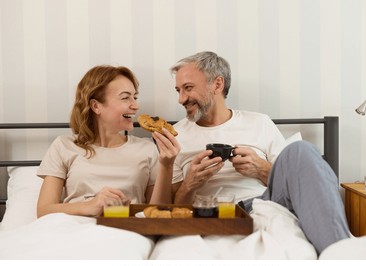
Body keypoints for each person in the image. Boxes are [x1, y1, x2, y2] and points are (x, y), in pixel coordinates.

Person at [168, 51, 350, 254]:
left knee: (302, 150)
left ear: (217, 84)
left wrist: (261, 169)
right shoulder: (175, 136)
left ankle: (340, 254)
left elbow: (289, 181)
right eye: (178, 90)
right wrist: (190, 184)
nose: (181, 99)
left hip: (262, 204)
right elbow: (170, 208)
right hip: (209, 213)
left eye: (188, 88)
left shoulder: (259, 122)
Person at [36, 65, 180, 218]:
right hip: (76, 230)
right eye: (125, 97)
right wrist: (91, 205)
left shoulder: (147, 149)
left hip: (126, 230)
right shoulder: (64, 146)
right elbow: (44, 210)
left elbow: (157, 214)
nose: (135, 106)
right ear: (96, 106)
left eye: (135, 97)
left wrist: (167, 165)